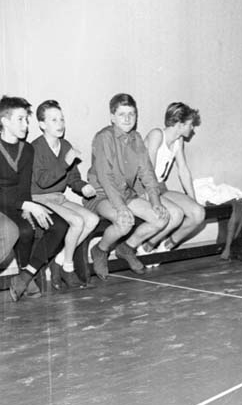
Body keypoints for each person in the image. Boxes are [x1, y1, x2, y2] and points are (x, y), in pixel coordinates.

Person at [83, 93, 169, 280]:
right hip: (101, 195)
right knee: (124, 221)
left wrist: (155, 201)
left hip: (125, 193)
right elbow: (105, 178)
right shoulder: (104, 137)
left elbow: (147, 172)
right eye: (122, 114)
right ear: (112, 117)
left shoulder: (136, 138)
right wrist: (121, 208)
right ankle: (100, 250)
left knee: (161, 218)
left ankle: (127, 247)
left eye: (132, 114)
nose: (128, 119)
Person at [0, 95, 68, 301]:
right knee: (25, 230)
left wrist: (27, 207)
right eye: (20, 119)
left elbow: (23, 186)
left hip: (19, 202)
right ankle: (24, 275)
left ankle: (26, 275)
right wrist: (26, 205)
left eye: (26, 119)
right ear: (4, 121)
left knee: (59, 226)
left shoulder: (27, 149)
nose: (26, 125)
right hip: (2, 205)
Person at [31, 100, 99, 290]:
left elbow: (73, 178)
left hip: (58, 198)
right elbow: (42, 181)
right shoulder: (35, 148)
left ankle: (60, 260)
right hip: (39, 199)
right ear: (42, 124)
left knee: (92, 219)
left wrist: (83, 187)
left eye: (61, 119)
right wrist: (64, 163)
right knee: (76, 221)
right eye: (53, 120)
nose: (60, 124)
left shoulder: (65, 145)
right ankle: (68, 268)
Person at [139, 102, 205, 253]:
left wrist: (192, 199)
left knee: (198, 213)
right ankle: (146, 247)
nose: (192, 128)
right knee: (176, 214)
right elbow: (148, 172)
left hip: (160, 187)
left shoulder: (178, 141)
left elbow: (183, 169)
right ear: (180, 124)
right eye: (190, 124)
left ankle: (166, 246)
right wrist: (153, 199)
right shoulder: (156, 135)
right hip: (143, 188)